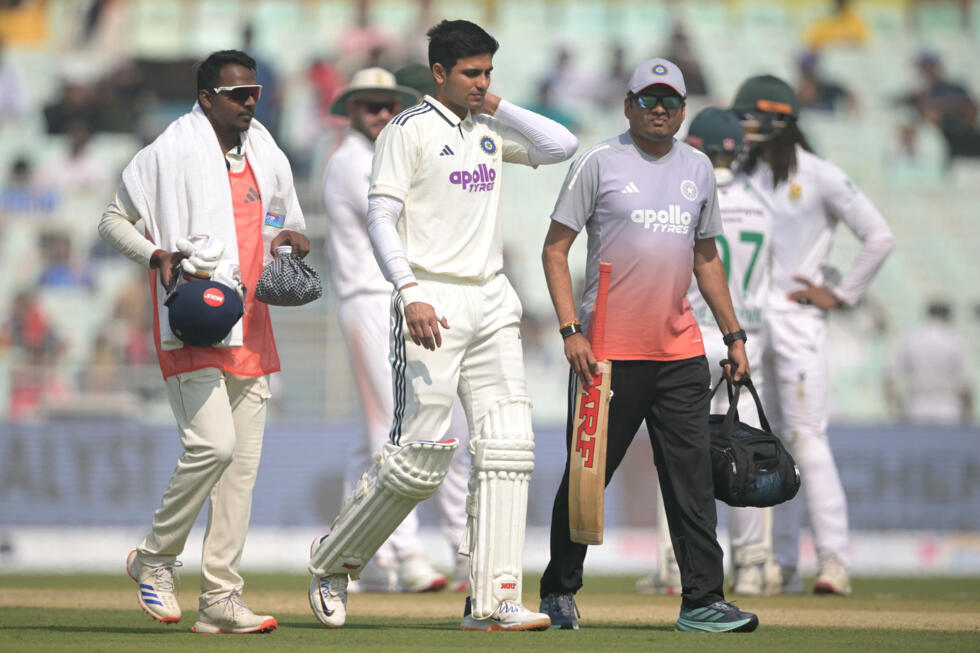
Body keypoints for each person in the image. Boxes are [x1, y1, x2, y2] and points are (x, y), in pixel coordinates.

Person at [307, 19, 578, 631]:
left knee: (508, 449)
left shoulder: (487, 126)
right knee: (418, 462)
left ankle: (495, 598)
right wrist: (409, 292)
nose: (482, 83)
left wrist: (496, 103)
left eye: (488, 72)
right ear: (438, 74)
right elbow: (381, 219)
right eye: (470, 73)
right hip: (432, 301)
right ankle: (334, 563)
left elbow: (562, 145)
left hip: (493, 300)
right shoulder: (407, 132)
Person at [537, 58, 758, 634]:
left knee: (690, 480)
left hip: (679, 353)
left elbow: (705, 258)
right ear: (628, 104)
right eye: (649, 99)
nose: (660, 110)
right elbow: (554, 250)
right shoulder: (598, 162)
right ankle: (559, 591)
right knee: (586, 478)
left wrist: (733, 336)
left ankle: (703, 601)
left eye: (670, 102)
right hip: (604, 356)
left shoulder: (699, 167)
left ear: (684, 110)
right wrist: (570, 331)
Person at [98, 49, 309, 634]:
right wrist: (156, 254)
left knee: (239, 474)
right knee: (213, 448)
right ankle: (154, 558)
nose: (249, 103)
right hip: (190, 318)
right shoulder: (169, 150)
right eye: (237, 94)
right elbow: (112, 221)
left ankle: (220, 598)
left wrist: (295, 239)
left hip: (252, 325)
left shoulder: (267, 150)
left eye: (255, 93)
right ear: (207, 97)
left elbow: (291, 223)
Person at [732, 74, 895, 596]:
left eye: (752, 117)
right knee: (757, 441)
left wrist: (841, 294)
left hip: (800, 321)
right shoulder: (739, 176)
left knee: (806, 438)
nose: (745, 127)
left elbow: (879, 236)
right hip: (751, 323)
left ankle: (833, 563)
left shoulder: (820, 175)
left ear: (779, 118)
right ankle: (768, 565)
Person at [321, 65, 470, 593]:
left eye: (389, 105)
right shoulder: (350, 161)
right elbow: (407, 217)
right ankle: (405, 555)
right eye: (370, 105)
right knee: (394, 432)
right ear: (351, 112)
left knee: (390, 437)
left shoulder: (389, 153)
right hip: (370, 299)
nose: (382, 113)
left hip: (408, 301)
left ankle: (346, 556)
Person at [638, 107, 781, 597]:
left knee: (680, 450)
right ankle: (755, 565)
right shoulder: (764, 201)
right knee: (747, 447)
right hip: (747, 334)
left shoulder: (687, 187)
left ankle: (674, 568)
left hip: (692, 332)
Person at [884, 301, 973, 425]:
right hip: (949, 409)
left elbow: (890, 376)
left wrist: (895, 408)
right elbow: (966, 384)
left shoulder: (910, 339)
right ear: (948, 316)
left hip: (916, 408)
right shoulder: (955, 341)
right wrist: (968, 412)